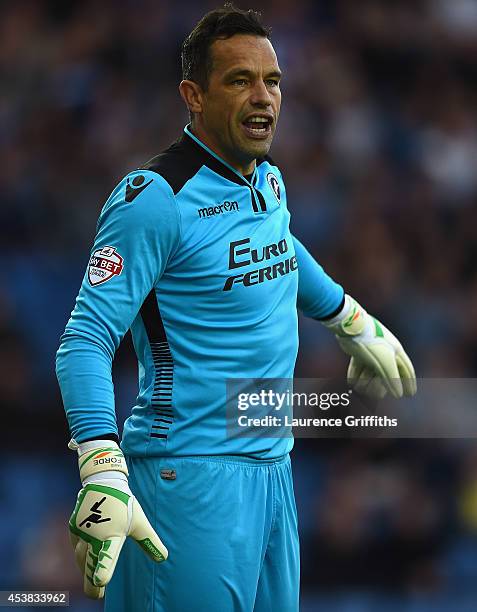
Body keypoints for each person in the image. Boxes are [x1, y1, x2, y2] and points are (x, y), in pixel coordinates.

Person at [56, 4, 416, 611]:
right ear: (193, 95)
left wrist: (349, 318)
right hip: (187, 479)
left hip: (273, 469)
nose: (263, 97)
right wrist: (101, 466)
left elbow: (279, 248)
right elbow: (84, 341)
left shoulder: (263, 178)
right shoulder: (154, 201)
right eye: (239, 80)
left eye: (272, 81)